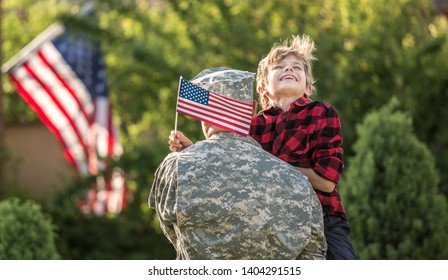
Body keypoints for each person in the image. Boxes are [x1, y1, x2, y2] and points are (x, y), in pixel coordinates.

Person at [170, 35, 356, 260]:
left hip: (323, 218)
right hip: (267, 223)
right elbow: (231, 167)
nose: (289, 70)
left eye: (296, 67)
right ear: (262, 87)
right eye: (279, 67)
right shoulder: (251, 125)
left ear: (307, 85)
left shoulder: (321, 113)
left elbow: (326, 181)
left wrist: (267, 167)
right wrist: (191, 150)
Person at [150, 67, 326, 260]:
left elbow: (172, 230)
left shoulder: (175, 167)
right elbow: (314, 254)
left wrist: (189, 160)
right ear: (251, 109)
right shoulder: (298, 181)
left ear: (203, 112)